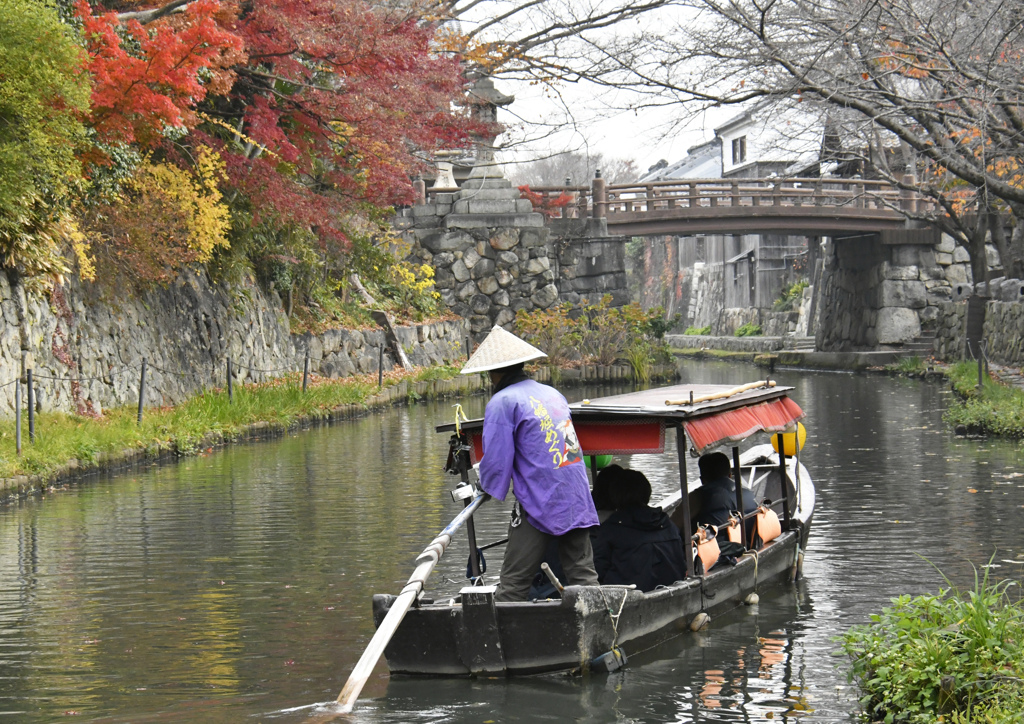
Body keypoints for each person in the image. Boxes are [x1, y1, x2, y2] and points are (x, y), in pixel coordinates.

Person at [464, 325, 600, 602]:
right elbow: (569, 448)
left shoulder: (502, 402)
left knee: (513, 583)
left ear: (493, 373)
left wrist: (486, 488)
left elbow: (497, 460)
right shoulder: (552, 394)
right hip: (576, 493)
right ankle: (601, 626)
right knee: (583, 575)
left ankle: (500, 640)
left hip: (542, 498)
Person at [591, 468, 688, 591]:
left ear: (614, 496)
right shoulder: (668, 523)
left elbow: (597, 571)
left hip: (626, 596)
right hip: (672, 589)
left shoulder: (610, 530)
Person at [694, 451, 756, 542]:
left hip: (721, 550)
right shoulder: (748, 492)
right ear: (730, 475)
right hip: (750, 542)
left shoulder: (699, 496)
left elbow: (676, 523)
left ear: (702, 480)